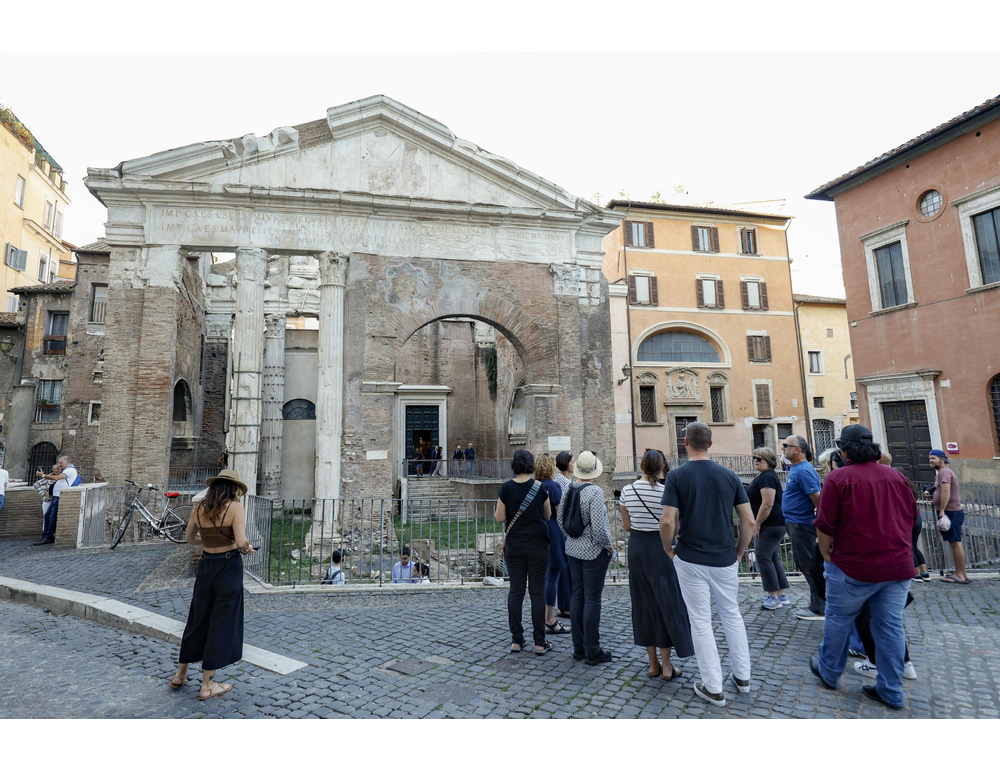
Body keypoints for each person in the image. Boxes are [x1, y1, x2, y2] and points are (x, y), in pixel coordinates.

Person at [809, 424, 919, 711]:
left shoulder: (838, 478)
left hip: (853, 565)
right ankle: (891, 690)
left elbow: (824, 524)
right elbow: (912, 518)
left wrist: (826, 554)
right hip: (897, 566)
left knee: (838, 618)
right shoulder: (897, 477)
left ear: (844, 451)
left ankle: (829, 672)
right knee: (890, 627)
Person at [660, 423, 754, 707]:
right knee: (732, 615)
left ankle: (713, 686)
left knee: (700, 621)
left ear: (685, 443)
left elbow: (667, 520)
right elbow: (749, 521)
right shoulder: (729, 475)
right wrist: (740, 551)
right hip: (724, 557)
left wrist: (667, 547)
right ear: (710, 444)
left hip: (690, 557)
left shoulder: (676, 476)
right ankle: (743, 677)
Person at [170, 469, 255, 700]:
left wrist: (208, 540)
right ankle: (207, 685)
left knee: (197, 618)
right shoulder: (235, 507)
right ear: (233, 488)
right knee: (221, 621)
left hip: (206, 565)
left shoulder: (199, 508)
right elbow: (240, 542)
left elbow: (189, 538)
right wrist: (248, 548)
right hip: (228, 566)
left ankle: (180, 674)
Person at [620, 449, 693, 679]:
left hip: (637, 548)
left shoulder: (627, 490)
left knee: (643, 603)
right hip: (662, 548)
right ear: (662, 467)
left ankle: (653, 664)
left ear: (641, 465)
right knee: (667, 604)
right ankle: (667, 666)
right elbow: (675, 526)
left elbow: (627, 526)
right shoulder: (667, 492)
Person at [495, 449, 552, 654]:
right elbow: (547, 515)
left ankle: (517, 640)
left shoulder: (506, 488)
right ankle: (539, 642)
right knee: (537, 592)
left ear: (514, 465)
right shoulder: (541, 487)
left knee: (516, 592)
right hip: (538, 546)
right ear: (530, 464)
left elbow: (500, 518)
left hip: (515, 546)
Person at [559, 451, 613, 665]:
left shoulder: (568, 488)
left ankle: (579, 648)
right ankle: (592, 650)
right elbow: (599, 528)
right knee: (592, 599)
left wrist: (572, 539)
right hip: (593, 552)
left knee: (577, 596)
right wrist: (608, 546)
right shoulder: (595, 492)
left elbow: (561, 520)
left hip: (572, 550)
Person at [781, 436, 824, 620]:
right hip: (796, 524)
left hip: (803, 525)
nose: (783, 448)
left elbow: (818, 499)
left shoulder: (804, 470)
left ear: (797, 449)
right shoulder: (796, 469)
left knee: (810, 566)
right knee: (805, 565)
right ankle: (817, 604)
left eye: (786, 445)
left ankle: (820, 607)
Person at [747, 446, 789, 610]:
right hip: (775, 523)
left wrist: (757, 523)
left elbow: (767, 503)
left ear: (769, 461)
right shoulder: (767, 476)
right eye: (754, 458)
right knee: (772, 557)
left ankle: (773, 596)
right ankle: (781, 593)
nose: (755, 461)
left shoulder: (767, 478)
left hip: (769, 523)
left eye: (759, 459)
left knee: (763, 557)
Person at [878, 451, 929, 582]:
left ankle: (916, 573)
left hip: (906, 519)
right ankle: (924, 572)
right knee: (914, 545)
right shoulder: (910, 486)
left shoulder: (896, 485)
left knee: (909, 546)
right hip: (917, 517)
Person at [534, 453, 570, 635]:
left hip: (537, 533)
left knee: (540, 579)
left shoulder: (533, 485)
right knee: (552, 578)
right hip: (553, 533)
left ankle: (540, 618)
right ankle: (549, 620)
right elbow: (559, 515)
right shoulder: (554, 487)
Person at [928, 449, 968, 584]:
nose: (931, 461)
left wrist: (942, 510)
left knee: (955, 543)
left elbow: (946, 492)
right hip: (950, 511)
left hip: (950, 511)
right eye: (930, 459)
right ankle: (962, 573)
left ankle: (960, 575)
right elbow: (941, 492)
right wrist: (933, 496)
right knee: (955, 542)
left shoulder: (944, 472)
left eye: (933, 458)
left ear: (942, 459)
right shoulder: (941, 473)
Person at [33, 455, 79, 546]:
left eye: (61, 462)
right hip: (55, 496)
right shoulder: (67, 470)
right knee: (48, 515)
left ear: (67, 462)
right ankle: (46, 535)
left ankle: (48, 536)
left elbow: (57, 478)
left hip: (59, 496)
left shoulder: (70, 470)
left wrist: (43, 475)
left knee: (52, 516)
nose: (60, 464)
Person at [552, 451, 575, 619]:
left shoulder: (556, 481)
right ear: (566, 464)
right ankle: (566, 607)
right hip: (564, 530)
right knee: (566, 569)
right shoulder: (566, 484)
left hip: (557, 529)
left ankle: (563, 605)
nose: (574, 465)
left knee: (562, 569)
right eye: (573, 462)